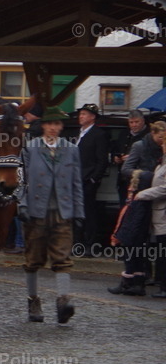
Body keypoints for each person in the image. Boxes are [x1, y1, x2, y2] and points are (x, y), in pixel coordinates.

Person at [18, 107, 85, 324]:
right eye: (50, 124)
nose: (54, 128)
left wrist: (79, 210)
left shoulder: (71, 149)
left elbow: (76, 183)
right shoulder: (30, 148)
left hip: (62, 211)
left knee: (62, 258)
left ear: (62, 127)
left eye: (58, 124)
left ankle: (63, 300)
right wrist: (22, 204)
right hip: (37, 211)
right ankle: (33, 299)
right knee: (33, 259)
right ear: (44, 126)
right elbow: (22, 180)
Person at [107, 171, 154, 296]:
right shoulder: (143, 202)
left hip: (132, 235)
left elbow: (130, 221)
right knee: (137, 259)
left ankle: (127, 283)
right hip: (137, 235)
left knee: (130, 259)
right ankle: (138, 284)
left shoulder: (137, 203)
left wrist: (122, 236)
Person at [133, 131, 166, 298]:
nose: (163, 147)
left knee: (163, 252)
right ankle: (161, 284)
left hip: (163, 214)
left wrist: (143, 194)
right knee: (160, 251)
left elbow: (164, 188)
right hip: (158, 213)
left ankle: (164, 286)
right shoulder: (162, 163)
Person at [73, 103, 109, 256]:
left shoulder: (98, 134)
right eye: (81, 114)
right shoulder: (79, 133)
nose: (81, 117)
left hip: (88, 180)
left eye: (85, 114)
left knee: (89, 212)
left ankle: (90, 245)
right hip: (76, 179)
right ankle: (77, 243)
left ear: (93, 117)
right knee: (76, 213)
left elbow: (102, 160)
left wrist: (94, 179)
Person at [112, 110, 149, 206]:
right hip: (123, 178)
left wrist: (133, 157)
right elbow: (115, 149)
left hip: (139, 178)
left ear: (143, 121)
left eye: (137, 122)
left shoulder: (149, 136)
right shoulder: (124, 134)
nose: (134, 125)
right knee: (123, 206)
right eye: (131, 122)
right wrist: (116, 158)